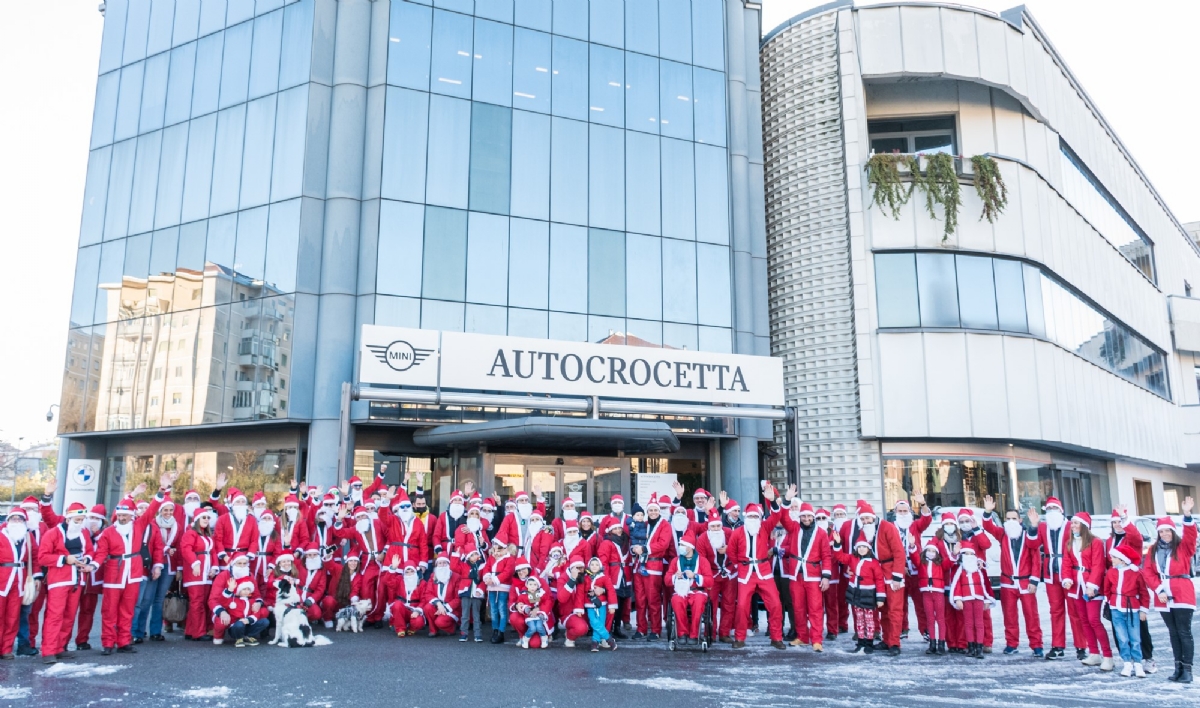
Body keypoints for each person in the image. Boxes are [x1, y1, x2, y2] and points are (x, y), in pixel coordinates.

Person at [840, 498, 907, 655]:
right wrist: (853, 569)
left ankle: (895, 643)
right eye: (862, 519)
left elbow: (899, 553)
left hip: (891, 572)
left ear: (873, 516)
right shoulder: (864, 531)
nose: (865, 521)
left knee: (894, 610)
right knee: (882, 608)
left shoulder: (888, 527)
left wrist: (897, 577)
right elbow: (859, 554)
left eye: (867, 518)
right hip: (876, 574)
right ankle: (886, 640)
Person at [981, 496, 1044, 656]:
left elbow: (1036, 559)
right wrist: (988, 511)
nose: (1011, 521)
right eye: (1008, 519)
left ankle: (1036, 645)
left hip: (1025, 582)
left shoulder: (1029, 535)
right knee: (1009, 616)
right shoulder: (1003, 534)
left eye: (1014, 518)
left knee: (1031, 615)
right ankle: (1011, 644)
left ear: (1020, 520)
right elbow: (988, 526)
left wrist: (1034, 580)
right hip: (1007, 581)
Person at [94, 499, 157, 655]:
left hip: (133, 573)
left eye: (125, 515)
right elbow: (101, 552)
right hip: (114, 574)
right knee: (109, 610)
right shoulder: (108, 532)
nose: (121, 518)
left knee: (127, 610)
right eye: (120, 515)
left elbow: (151, 511)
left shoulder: (138, 526)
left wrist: (162, 491)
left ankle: (123, 641)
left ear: (131, 516)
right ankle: (108, 642)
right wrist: (94, 565)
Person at [1142, 497, 1195, 683]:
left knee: (1184, 631)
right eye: (1161, 531)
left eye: (1167, 530)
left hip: (1182, 593)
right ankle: (1177, 667)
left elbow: (1191, 535)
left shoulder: (1183, 547)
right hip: (1162, 596)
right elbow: (1147, 572)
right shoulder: (1152, 550)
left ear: (1173, 531)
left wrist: (1187, 515)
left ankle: (1187, 669)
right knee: (1173, 633)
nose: (1164, 534)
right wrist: (1158, 590)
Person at [36, 502, 96, 664]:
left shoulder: (83, 533)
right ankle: (48, 650)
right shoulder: (53, 533)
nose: (80, 523)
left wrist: (87, 560)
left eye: (82, 519)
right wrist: (64, 559)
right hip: (59, 580)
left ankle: (60, 647)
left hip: (77, 580)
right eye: (77, 519)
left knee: (69, 615)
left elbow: (90, 551)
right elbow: (42, 557)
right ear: (68, 519)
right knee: (54, 615)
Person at [727, 494, 787, 650]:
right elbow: (732, 552)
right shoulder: (738, 532)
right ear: (746, 517)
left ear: (760, 518)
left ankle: (776, 637)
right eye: (751, 516)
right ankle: (740, 638)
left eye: (756, 516)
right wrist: (738, 565)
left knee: (775, 603)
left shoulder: (765, 528)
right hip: (745, 572)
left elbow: (776, 515)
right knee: (741, 606)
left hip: (764, 571)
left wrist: (772, 500)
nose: (753, 518)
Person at [774, 492, 832, 651]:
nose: (806, 519)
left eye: (809, 516)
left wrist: (826, 576)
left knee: (815, 608)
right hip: (795, 574)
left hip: (813, 575)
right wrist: (786, 500)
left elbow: (826, 555)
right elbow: (784, 517)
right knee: (798, 607)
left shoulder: (821, 533)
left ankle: (817, 639)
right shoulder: (793, 528)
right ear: (799, 517)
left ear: (813, 517)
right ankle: (802, 636)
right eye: (803, 516)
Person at [1029, 497, 1082, 660]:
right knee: (1055, 611)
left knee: (1075, 611)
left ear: (1061, 510)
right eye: (1049, 508)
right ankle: (1058, 645)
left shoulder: (1069, 525)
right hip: (1051, 573)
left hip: (1069, 573)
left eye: (1055, 508)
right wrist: (1033, 525)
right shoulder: (1043, 526)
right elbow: (1032, 545)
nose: (1052, 511)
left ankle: (1081, 646)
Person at [1064, 511, 1112, 670]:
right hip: (1076, 586)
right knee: (1084, 620)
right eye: (1072, 523)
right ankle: (1094, 652)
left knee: (1094, 620)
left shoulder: (1096, 542)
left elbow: (1098, 565)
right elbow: (1067, 564)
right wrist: (1067, 578)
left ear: (1084, 526)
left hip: (1091, 586)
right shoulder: (1069, 543)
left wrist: (1093, 585)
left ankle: (1108, 656)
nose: (1073, 526)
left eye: (1076, 523)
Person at [832, 537, 886, 655]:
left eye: (864, 547)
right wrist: (837, 544)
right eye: (859, 547)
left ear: (868, 549)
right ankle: (861, 641)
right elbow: (839, 556)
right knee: (859, 619)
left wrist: (880, 597)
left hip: (868, 593)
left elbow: (879, 580)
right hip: (855, 593)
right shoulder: (852, 558)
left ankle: (869, 643)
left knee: (869, 619)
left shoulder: (874, 562)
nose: (862, 549)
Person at [1105, 543, 1150, 678]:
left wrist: (1143, 610)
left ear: (1123, 560)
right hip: (1116, 609)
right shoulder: (1111, 572)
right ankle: (1126, 663)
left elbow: (1144, 593)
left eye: (1114, 557)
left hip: (1132, 609)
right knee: (1122, 638)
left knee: (1135, 638)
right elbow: (1107, 589)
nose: (1111, 560)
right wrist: (1110, 602)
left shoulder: (1136, 573)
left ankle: (1138, 663)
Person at [665, 532, 712, 645]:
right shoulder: (675, 561)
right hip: (681, 591)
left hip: (697, 590)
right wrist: (675, 577)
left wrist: (695, 576)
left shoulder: (703, 561)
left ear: (690, 547)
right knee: (676, 600)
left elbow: (710, 581)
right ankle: (682, 633)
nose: (680, 547)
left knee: (699, 601)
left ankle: (694, 634)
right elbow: (667, 580)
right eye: (680, 544)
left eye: (683, 545)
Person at [639, 494, 675, 640]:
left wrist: (645, 549)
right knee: (641, 599)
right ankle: (641, 629)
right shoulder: (645, 524)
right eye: (651, 510)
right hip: (640, 564)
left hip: (654, 564)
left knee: (653, 599)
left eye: (655, 510)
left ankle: (655, 629)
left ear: (659, 511)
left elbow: (663, 544)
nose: (653, 512)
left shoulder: (665, 525)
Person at [696, 511, 735, 643]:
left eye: (718, 526)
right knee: (710, 604)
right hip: (712, 574)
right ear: (708, 527)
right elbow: (701, 559)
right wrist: (708, 577)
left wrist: (728, 549)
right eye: (713, 527)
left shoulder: (729, 533)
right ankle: (710, 633)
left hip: (729, 573)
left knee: (729, 603)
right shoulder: (702, 539)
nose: (716, 529)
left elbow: (739, 548)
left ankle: (724, 633)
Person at [74, 504, 107, 650]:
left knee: (88, 611)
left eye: (96, 518)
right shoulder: (79, 531)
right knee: (69, 611)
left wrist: (98, 534)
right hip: (76, 577)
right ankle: (61, 642)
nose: (93, 521)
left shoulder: (104, 534)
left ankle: (82, 640)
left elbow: (105, 550)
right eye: (91, 518)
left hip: (93, 579)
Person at [949, 547, 992, 659]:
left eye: (970, 554)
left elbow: (985, 584)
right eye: (965, 554)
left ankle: (979, 647)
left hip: (978, 598)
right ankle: (971, 646)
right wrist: (958, 598)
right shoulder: (960, 570)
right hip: (966, 599)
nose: (968, 556)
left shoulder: (979, 569)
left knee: (979, 623)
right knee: (968, 623)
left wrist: (987, 599)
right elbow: (956, 584)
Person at [215, 577, 269, 648]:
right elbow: (222, 601)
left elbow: (256, 613)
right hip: (235, 626)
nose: (246, 591)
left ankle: (246, 636)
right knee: (239, 624)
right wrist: (229, 590)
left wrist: (249, 620)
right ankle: (239, 638)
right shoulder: (232, 600)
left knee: (265, 621)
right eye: (244, 589)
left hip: (247, 624)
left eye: (248, 589)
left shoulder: (252, 601)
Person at [917, 541, 947, 654]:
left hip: (938, 592)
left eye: (933, 551)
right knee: (930, 618)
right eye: (929, 550)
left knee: (940, 618)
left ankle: (942, 643)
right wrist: (912, 546)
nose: (931, 553)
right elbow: (914, 557)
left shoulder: (940, 563)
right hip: (926, 593)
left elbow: (949, 563)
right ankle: (932, 643)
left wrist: (954, 553)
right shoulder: (922, 563)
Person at [581, 557, 617, 651]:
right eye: (592, 564)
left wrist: (612, 605)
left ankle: (595, 642)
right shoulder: (585, 578)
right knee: (593, 621)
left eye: (596, 565)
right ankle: (608, 639)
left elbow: (611, 590)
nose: (594, 566)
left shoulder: (604, 577)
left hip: (602, 604)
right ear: (588, 566)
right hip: (589, 603)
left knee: (600, 622)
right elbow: (581, 591)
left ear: (600, 566)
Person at [422, 555, 461, 638]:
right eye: (440, 563)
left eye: (444, 563)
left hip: (451, 608)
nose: (442, 565)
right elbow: (428, 593)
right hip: (438, 606)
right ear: (436, 565)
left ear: (448, 564)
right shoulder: (433, 576)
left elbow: (458, 598)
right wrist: (439, 604)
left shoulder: (456, 577)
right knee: (428, 607)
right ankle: (433, 630)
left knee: (440, 622)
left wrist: (445, 608)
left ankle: (451, 628)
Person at [482, 542, 513, 643]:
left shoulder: (509, 559)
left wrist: (494, 580)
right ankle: (495, 630)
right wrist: (487, 577)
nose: (496, 553)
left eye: (499, 551)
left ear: (505, 549)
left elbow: (507, 572)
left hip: (503, 586)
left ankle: (501, 631)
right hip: (492, 587)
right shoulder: (491, 558)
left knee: (502, 609)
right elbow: (486, 568)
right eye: (494, 550)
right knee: (493, 610)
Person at [456, 545, 486, 642]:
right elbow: (453, 566)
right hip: (466, 591)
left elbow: (483, 580)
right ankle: (464, 633)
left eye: (476, 554)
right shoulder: (464, 565)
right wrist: (456, 555)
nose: (475, 556)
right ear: (468, 557)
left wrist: (480, 590)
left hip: (477, 593)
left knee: (476, 615)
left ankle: (477, 634)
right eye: (472, 555)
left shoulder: (482, 566)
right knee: (465, 614)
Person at [389, 563, 426, 637]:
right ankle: (400, 629)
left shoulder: (422, 583)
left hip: (414, 609)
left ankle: (412, 627)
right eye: (407, 572)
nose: (409, 574)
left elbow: (424, 599)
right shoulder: (400, 580)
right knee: (397, 604)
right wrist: (393, 568)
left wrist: (417, 611)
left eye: (412, 571)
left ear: (415, 571)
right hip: (402, 608)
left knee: (418, 622)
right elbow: (389, 582)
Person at [516, 575, 552, 649]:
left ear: (538, 586)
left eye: (535, 585)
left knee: (539, 627)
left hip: (539, 616)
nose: (532, 587)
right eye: (530, 584)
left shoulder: (541, 594)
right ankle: (525, 638)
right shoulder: (523, 595)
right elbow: (520, 604)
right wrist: (526, 609)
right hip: (529, 616)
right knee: (532, 628)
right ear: (527, 585)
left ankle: (544, 638)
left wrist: (541, 612)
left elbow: (547, 602)